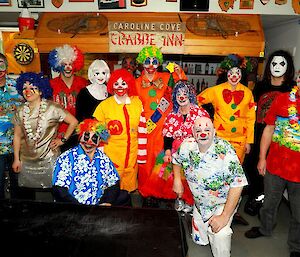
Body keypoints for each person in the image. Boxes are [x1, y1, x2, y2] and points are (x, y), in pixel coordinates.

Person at [172, 116, 248, 257]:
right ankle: (202, 224)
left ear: (214, 132)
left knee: (220, 234)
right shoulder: (187, 145)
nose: (203, 133)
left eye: (207, 129)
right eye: (198, 130)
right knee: (200, 241)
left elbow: (238, 184)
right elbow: (176, 159)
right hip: (200, 204)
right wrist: (177, 179)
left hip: (222, 203)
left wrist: (225, 216)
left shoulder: (225, 150)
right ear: (193, 133)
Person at [245, 73, 300, 257]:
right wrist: (262, 158)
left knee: (299, 213)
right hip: (275, 165)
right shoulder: (282, 99)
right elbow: (268, 129)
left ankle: (296, 246)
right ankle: (265, 229)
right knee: (269, 203)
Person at [197, 54, 255, 225]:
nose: (234, 76)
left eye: (237, 72)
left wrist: (249, 141)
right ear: (226, 73)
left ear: (241, 74)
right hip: (219, 140)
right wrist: (204, 122)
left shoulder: (248, 93)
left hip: (239, 142)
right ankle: (215, 209)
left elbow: (251, 119)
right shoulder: (215, 90)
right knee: (216, 174)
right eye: (231, 72)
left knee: (234, 178)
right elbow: (197, 100)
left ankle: (231, 211)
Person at [140, 80, 209, 212]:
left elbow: (207, 135)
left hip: (195, 151)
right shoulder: (172, 114)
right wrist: (167, 152)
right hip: (175, 150)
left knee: (191, 176)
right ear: (175, 97)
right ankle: (178, 197)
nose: (182, 97)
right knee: (163, 169)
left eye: (185, 93)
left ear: (191, 95)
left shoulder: (201, 113)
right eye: (178, 94)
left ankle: (189, 200)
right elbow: (168, 136)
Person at [243, 50, 295, 216]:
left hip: (281, 138)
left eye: (281, 64)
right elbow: (251, 112)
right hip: (258, 133)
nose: (277, 67)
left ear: (288, 67)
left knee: (271, 173)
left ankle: (264, 201)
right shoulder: (261, 86)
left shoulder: (292, 88)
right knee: (252, 166)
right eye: (274, 63)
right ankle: (254, 196)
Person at [12, 72, 78, 200]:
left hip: (49, 160)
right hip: (26, 161)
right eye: (25, 88)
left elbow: (74, 122)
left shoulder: (53, 108)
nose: (28, 91)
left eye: (33, 88)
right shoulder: (20, 111)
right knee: (27, 197)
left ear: (41, 91)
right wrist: (16, 159)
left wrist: (62, 140)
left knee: (56, 193)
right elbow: (16, 136)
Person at [134, 46, 187, 206]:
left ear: (159, 63)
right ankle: (147, 195)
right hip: (145, 131)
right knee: (145, 164)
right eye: (147, 61)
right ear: (141, 63)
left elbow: (182, 89)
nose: (151, 65)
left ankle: (166, 194)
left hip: (165, 130)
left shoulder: (166, 77)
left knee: (165, 163)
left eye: (154, 61)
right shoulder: (135, 83)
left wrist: (179, 72)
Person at [93, 68, 147, 203]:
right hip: (112, 155)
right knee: (111, 191)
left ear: (129, 84)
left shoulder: (137, 103)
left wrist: (141, 154)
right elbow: (97, 129)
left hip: (132, 156)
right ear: (111, 85)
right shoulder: (105, 105)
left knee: (127, 192)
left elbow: (142, 128)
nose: (120, 87)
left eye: (123, 83)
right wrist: (101, 152)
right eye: (116, 84)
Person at [52, 118, 129, 206]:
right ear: (80, 137)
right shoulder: (66, 158)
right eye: (86, 137)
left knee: (124, 196)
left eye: (94, 138)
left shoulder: (104, 159)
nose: (89, 142)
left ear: (99, 141)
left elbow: (114, 183)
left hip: (98, 208)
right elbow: (59, 190)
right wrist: (80, 209)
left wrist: (105, 202)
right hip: (73, 208)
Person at [48, 44, 88, 151]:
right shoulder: (50, 85)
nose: (68, 67)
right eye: (64, 64)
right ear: (58, 65)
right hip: (57, 138)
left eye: (70, 64)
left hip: (80, 136)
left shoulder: (84, 83)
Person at [0, 53, 22, 199]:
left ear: (6, 67)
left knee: (19, 185)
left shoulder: (17, 87)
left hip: (17, 145)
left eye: (1, 64)